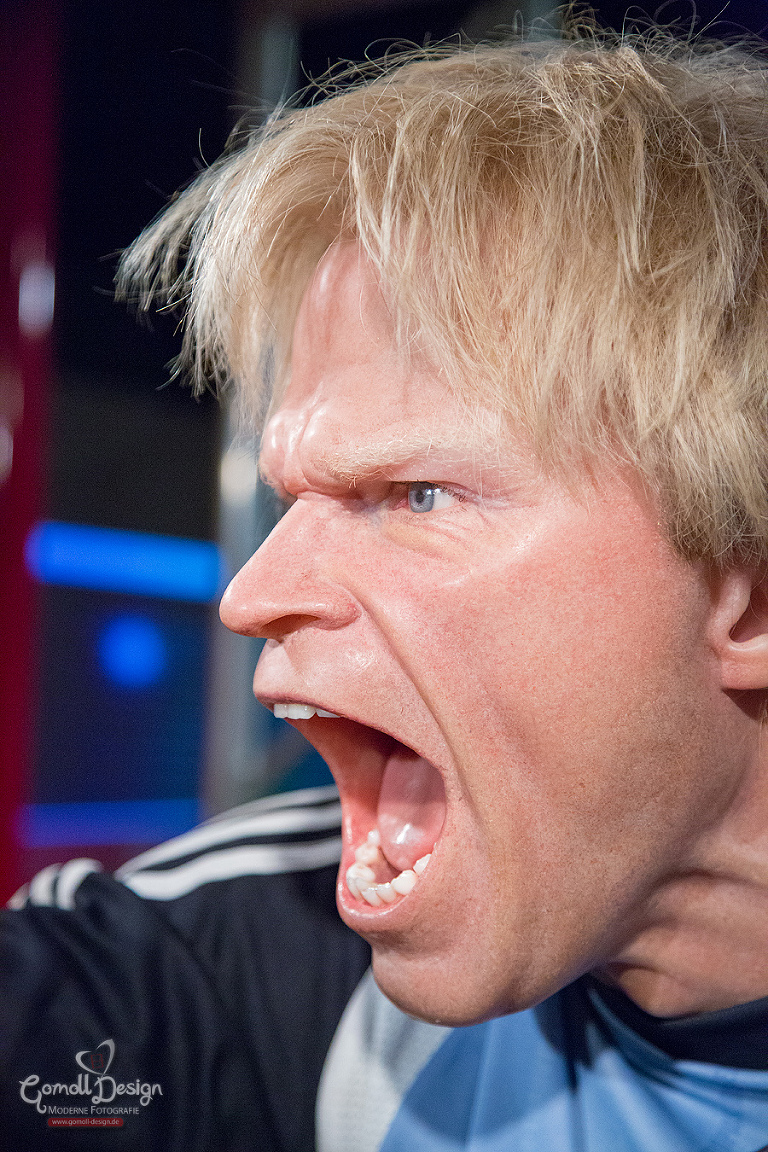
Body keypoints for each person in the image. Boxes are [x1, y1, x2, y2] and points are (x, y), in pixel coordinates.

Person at [4, 24, 768, 1151]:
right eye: (289, 501)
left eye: (416, 494)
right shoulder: (215, 967)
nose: (251, 596)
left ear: (749, 595)